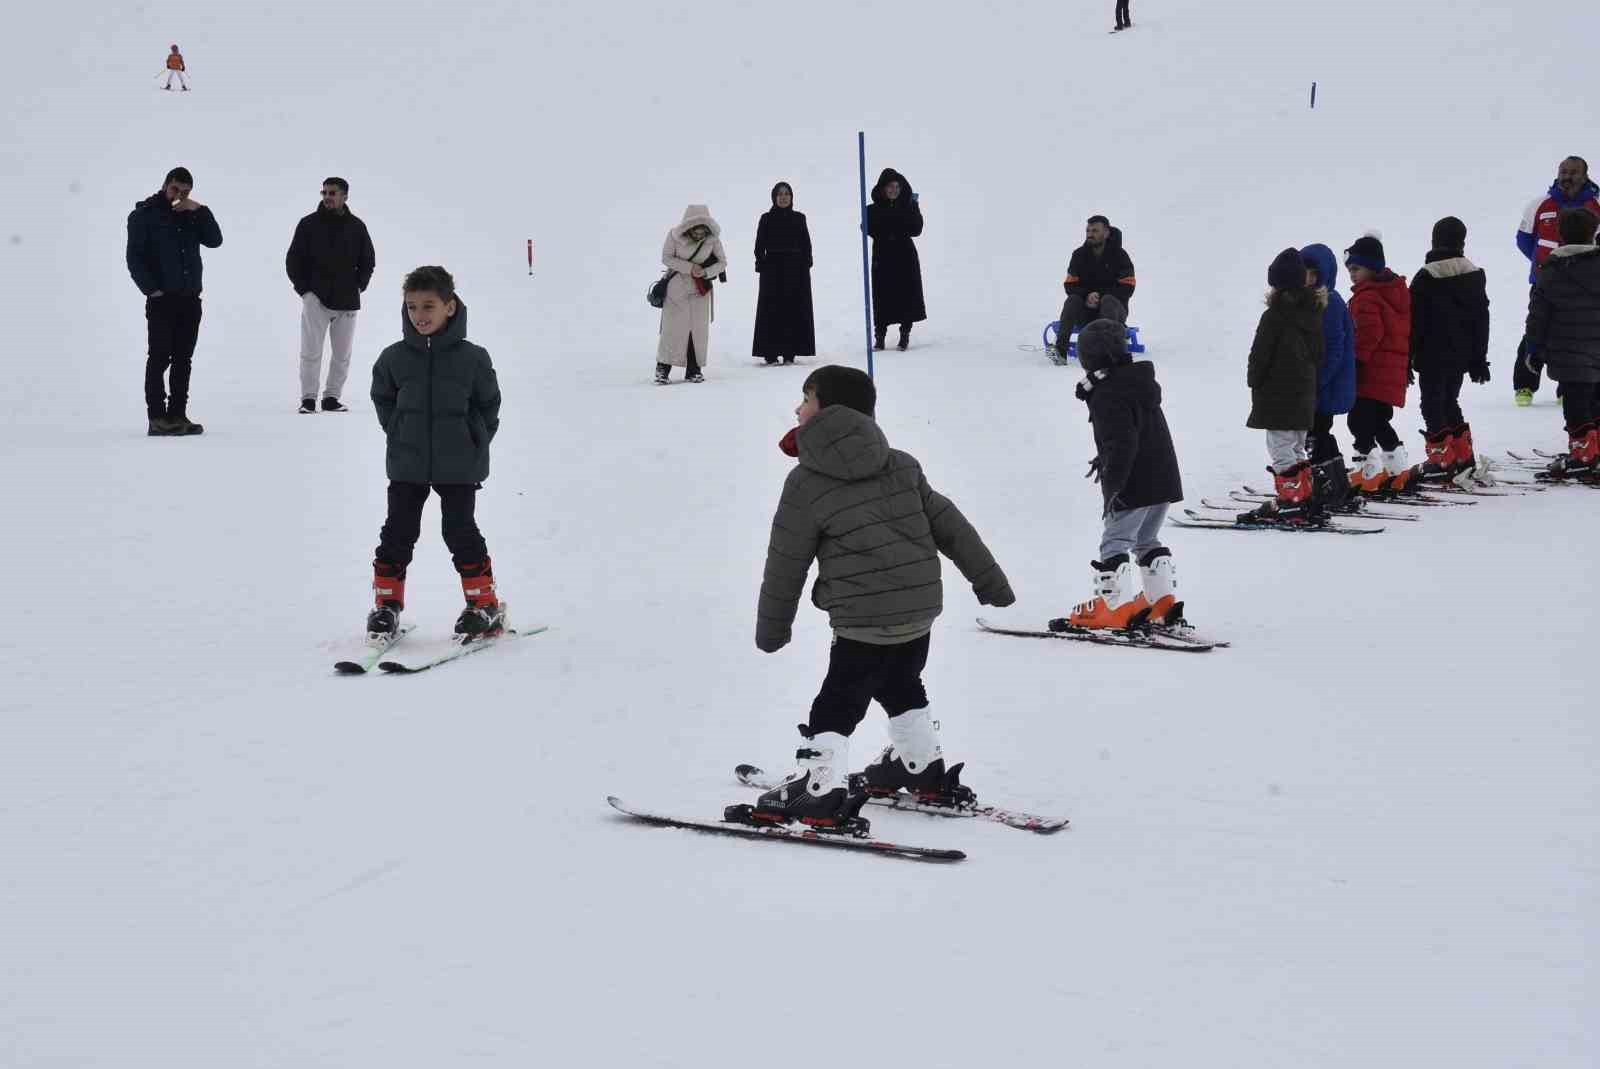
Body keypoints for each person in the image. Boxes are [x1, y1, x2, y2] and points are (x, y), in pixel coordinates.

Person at [751, 366, 1014, 828]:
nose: (797, 408)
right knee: (900, 682)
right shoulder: (902, 465)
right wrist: (990, 582)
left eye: (806, 399)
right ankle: (920, 766)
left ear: (830, 412)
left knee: (837, 704)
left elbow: (785, 562)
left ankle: (818, 789)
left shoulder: (807, 483)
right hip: (917, 614)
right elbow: (952, 527)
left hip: (862, 621)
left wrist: (773, 628)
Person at [367, 267, 504, 640]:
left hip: (458, 465)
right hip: (407, 463)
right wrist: (399, 431)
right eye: (412, 307)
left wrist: (473, 439)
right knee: (398, 531)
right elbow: (383, 399)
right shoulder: (394, 358)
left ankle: (483, 604)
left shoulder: (473, 358)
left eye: (429, 305)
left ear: (450, 306)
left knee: (459, 531)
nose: (420, 314)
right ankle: (386, 606)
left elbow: (488, 405)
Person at [1059, 316, 1185, 630]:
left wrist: (1113, 486)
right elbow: (1132, 435)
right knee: (1146, 538)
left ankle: (1113, 609)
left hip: (1134, 480)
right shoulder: (1135, 382)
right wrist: (1107, 457)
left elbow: (1122, 443)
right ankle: (1161, 602)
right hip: (1162, 478)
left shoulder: (1107, 394)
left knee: (1114, 542)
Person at [125, 166, 223, 436]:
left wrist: (199, 209)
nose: (179, 195)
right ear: (165, 185)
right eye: (175, 189)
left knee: (183, 359)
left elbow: (215, 240)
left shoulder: (191, 215)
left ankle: (178, 414)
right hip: (162, 300)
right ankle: (157, 418)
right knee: (159, 358)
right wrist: (152, 290)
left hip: (190, 299)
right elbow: (134, 258)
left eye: (185, 191)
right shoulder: (144, 215)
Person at [1241, 249, 1324, 522]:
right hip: (1303, 394)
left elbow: (1260, 354)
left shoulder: (1274, 316)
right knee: (1297, 446)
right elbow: (1319, 354)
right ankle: (1304, 495)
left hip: (1277, 394)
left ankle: (1292, 501)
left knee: (1280, 447)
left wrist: (1254, 379)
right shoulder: (1313, 313)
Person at [1408, 217, 1491, 482]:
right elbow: (1481, 319)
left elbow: (1415, 322)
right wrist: (1479, 358)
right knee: (1450, 400)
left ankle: (1442, 459)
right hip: (1461, 355)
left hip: (1432, 354)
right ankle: (1463, 454)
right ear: (1462, 242)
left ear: (1434, 241)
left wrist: (1408, 356)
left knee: (1432, 403)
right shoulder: (1474, 275)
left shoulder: (1425, 277)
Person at [1514, 156, 1600, 405]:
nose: (1567, 176)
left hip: (1588, 285)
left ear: (1585, 175)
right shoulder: (1539, 205)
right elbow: (1524, 240)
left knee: (1578, 335)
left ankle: (1567, 388)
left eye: (1573, 172)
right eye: (1563, 171)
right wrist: (1543, 264)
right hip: (1546, 281)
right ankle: (1524, 386)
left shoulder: (1596, 204)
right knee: (1536, 328)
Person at [286, 177, 376, 413]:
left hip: (347, 301)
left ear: (345, 196)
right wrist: (305, 292)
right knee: (311, 352)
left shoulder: (357, 227)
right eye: (324, 192)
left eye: (332, 193)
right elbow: (293, 260)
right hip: (316, 300)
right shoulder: (308, 224)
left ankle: (331, 398)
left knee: (342, 354)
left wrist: (359, 286)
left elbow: (368, 261)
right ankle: (308, 399)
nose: (327, 196)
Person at [1526, 208, 1600, 480]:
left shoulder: (1552, 270)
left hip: (1569, 352)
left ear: (1560, 234)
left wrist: (1533, 349)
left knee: (1577, 405)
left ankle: (1582, 455)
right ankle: (1594, 450)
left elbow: (1538, 316)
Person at [1343, 234, 1416, 494]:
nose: (1352, 274)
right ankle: (1398, 470)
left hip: (1371, 372)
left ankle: (1366, 472)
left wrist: (1356, 362)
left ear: (1372, 268)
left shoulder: (1368, 297)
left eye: (1356, 269)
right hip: (1389, 372)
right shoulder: (1394, 292)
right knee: (1378, 422)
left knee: (1360, 422)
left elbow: (1369, 333)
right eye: (1349, 269)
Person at [1299, 244, 1357, 509]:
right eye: (1304, 272)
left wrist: (1318, 381)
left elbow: (1334, 348)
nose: (1307, 278)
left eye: (1313, 273)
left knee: (1317, 433)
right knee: (1320, 433)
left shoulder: (1329, 301)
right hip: (1319, 384)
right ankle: (1335, 485)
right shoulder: (1310, 300)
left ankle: (1326, 486)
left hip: (1326, 386)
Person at [656, 205, 727, 384]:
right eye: (697, 229)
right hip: (676, 289)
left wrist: (705, 272)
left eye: (703, 229)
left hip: (700, 289)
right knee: (672, 330)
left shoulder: (713, 240)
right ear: (689, 226)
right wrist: (689, 268)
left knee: (698, 331)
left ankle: (694, 369)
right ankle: (662, 369)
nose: (700, 233)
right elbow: (666, 257)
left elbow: (722, 262)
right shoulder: (673, 236)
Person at [751, 181, 815, 366]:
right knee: (771, 310)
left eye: (787, 193)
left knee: (793, 310)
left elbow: (806, 244)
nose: (784, 197)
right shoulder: (766, 218)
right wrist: (762, 264)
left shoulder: (799, 218)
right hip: (772, 270)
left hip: (796, 271)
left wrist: (806, 263)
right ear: (774, 197)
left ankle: (790, 351)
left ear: (792, 197)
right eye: (780, 194)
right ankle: (770, 352)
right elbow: (758, 246)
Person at [867, 168, 926, 351]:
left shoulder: (908, 206)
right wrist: (865, 222)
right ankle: (880, 336)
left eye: (896, 186)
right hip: (882, 259)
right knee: (882, 296)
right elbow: (869, 229)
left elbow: (916, 230)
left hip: (905, 258)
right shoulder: (872, 209)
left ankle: (905, 335)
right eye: (889, 186)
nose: (893, 190)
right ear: (883, 189)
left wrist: (914, 207)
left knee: (906, 295)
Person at [1059, 215, 1137, 341]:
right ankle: (1060, 349)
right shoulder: (1078, 255)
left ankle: (1108, 348)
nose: (1090, 234)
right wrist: (1086, 296)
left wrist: (1100, 296)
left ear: (1106, 233)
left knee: (1108, 300)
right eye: (1088, 231)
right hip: (1086, 312)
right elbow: (1070, 285)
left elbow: (1128, 287)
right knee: (1072, 299)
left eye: (1095, 231)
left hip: (1114, 312)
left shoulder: (1120, 255)